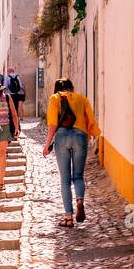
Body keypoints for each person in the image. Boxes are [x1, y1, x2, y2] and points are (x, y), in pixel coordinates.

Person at [43, 78, 101, 227]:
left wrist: (47, 144)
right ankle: (80, 200)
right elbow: (91, 120)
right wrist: (90, 133)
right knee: (78, 176)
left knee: (65, 179)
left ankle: (68, 218)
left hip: (62, 137)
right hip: (80, 137)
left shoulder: (55, 98)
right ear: (72, 87)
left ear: (57, 89)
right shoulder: (82, 99)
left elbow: (53, 124)